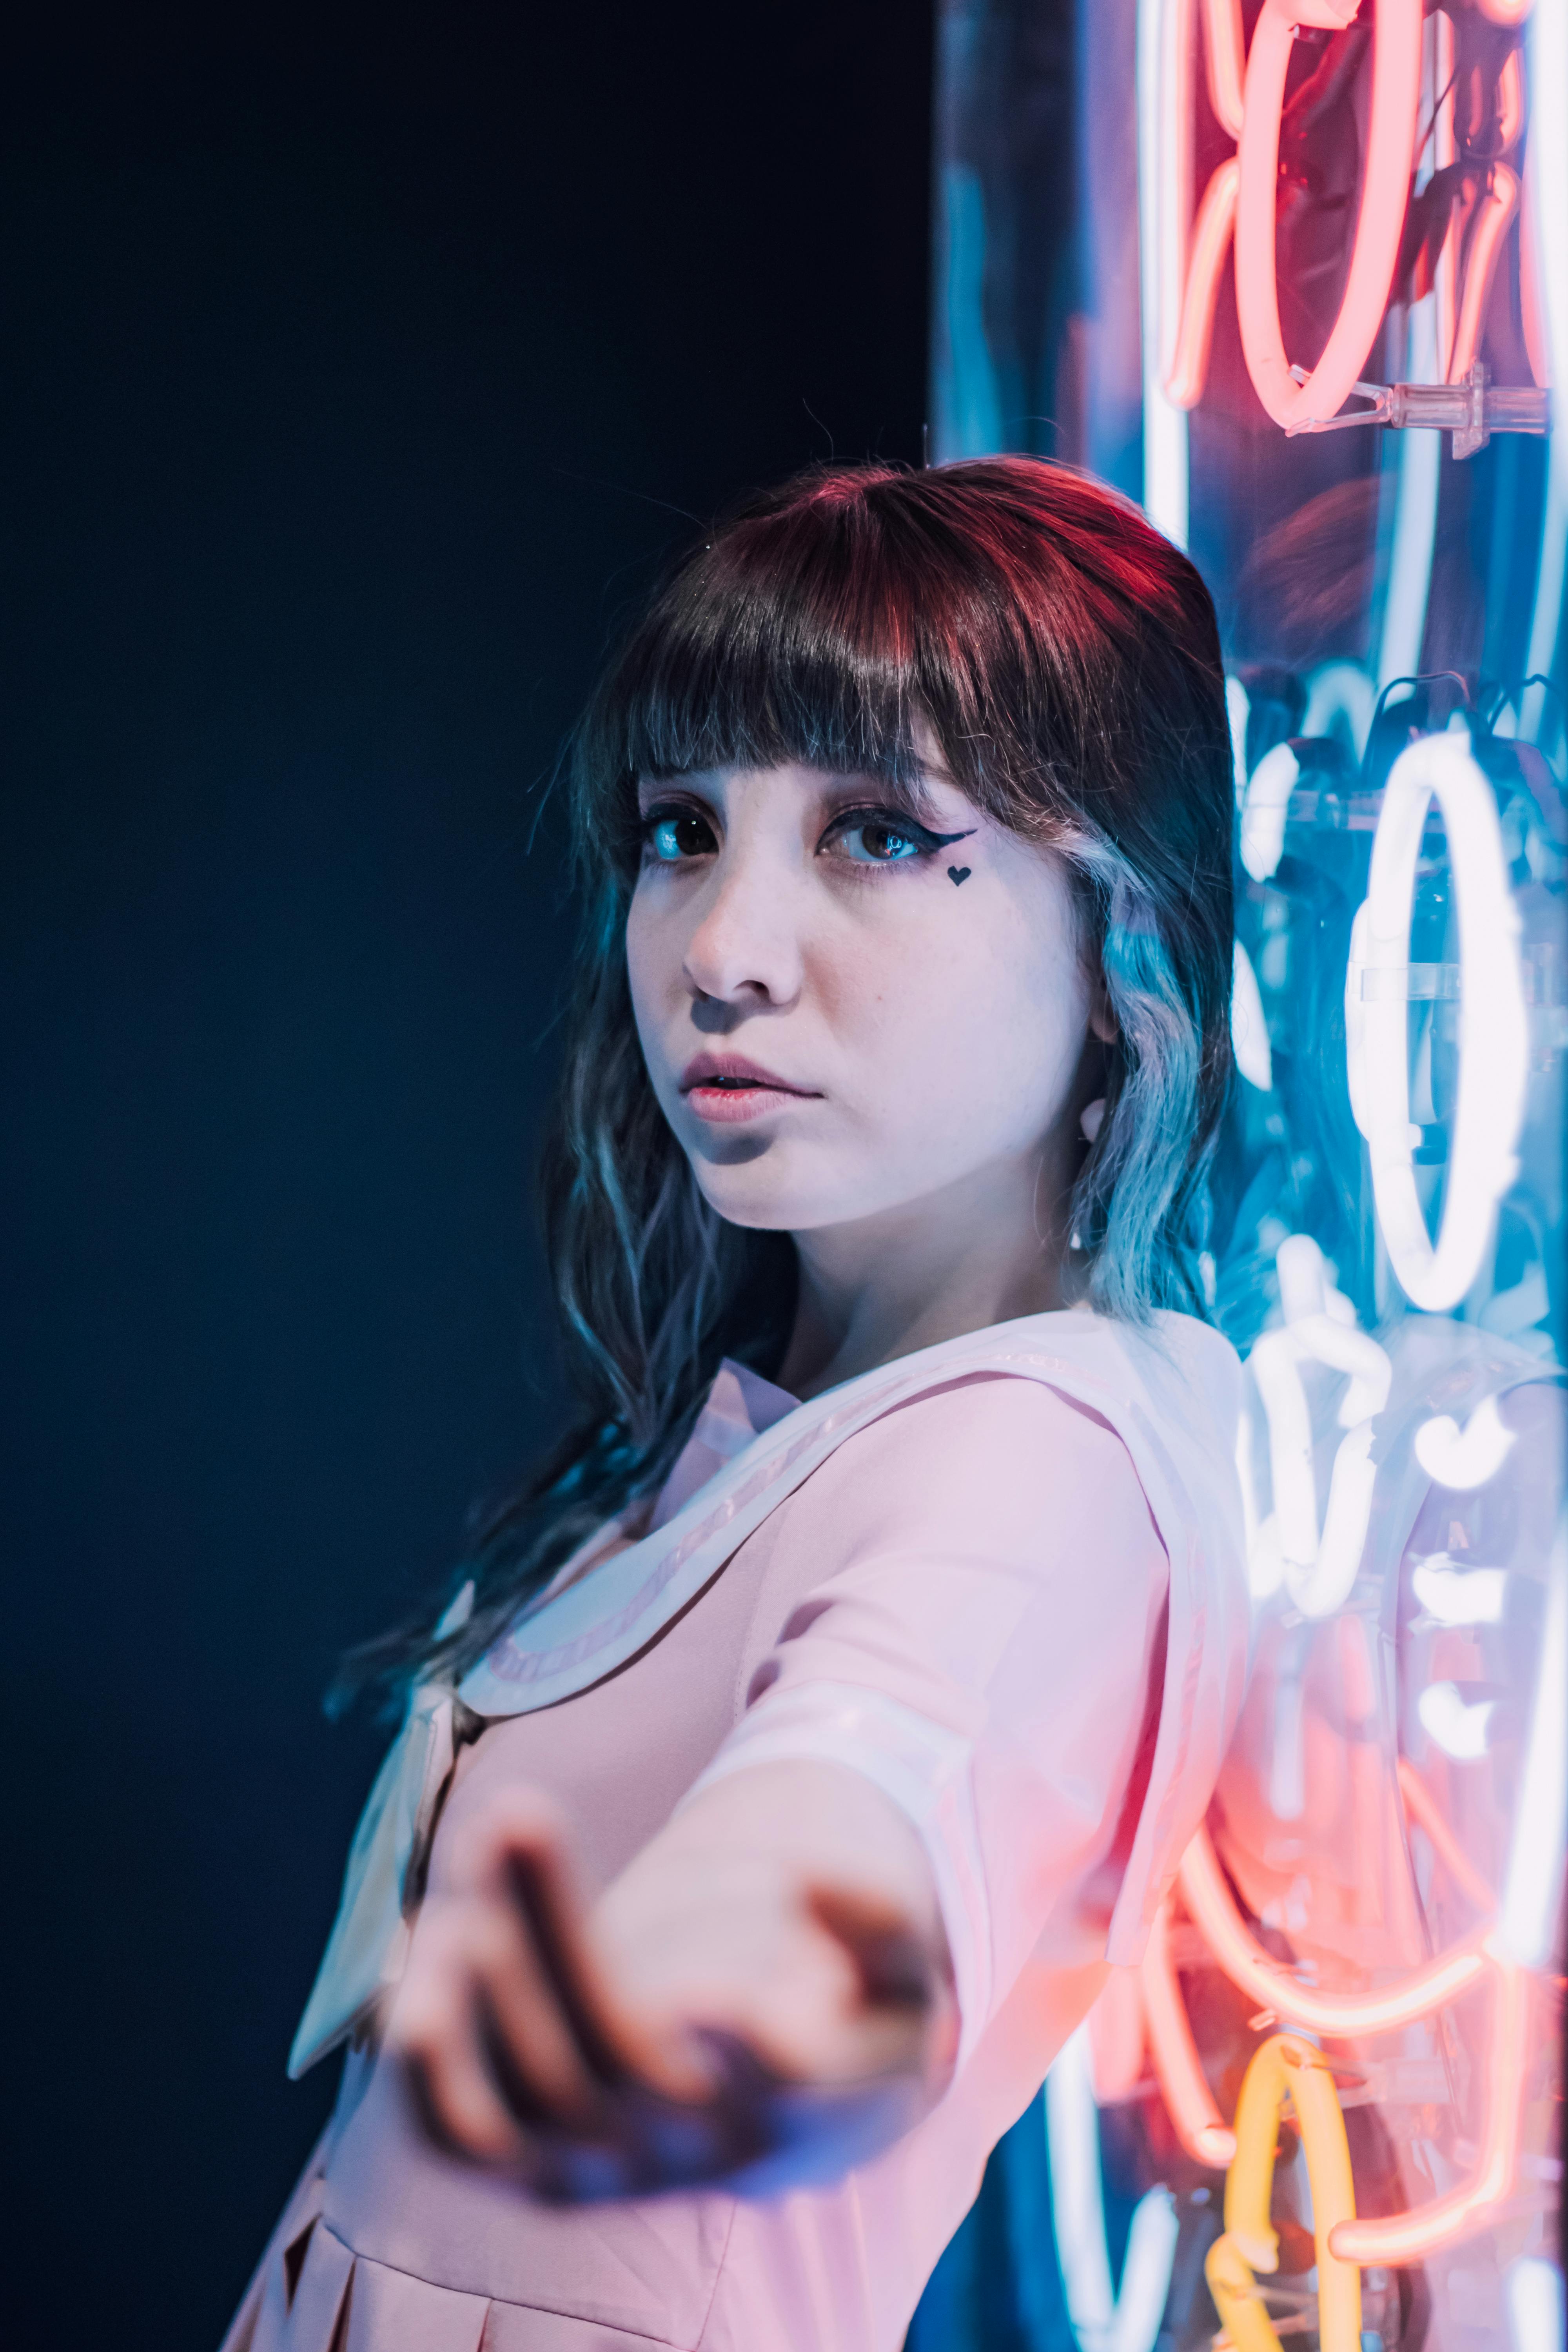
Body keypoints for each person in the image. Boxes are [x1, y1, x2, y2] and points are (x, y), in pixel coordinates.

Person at [222, 457, 1251, 2352]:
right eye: (678, 830)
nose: (717, 950)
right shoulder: (790, 1415)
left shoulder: (1037, 1452)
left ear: (1125, 933)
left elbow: (853, 1810)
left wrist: (759, 1949)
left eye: (874, 833)